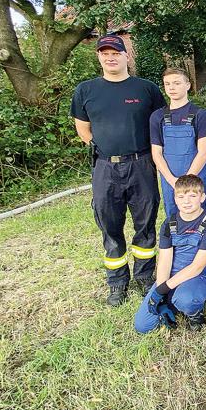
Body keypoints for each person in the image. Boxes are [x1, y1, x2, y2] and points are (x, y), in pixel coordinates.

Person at [71, 34, 166, 306]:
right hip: (104, 167)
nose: (110, 57)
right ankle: (117, 282)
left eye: (115, 52)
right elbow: (82, 127)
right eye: (104, 53)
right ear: (99, 57)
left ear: (127, 56)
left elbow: (159, 123)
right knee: (110, 225)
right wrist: (99, 147)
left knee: (145, 222)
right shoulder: (86, 90)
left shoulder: (145, 89)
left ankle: (145, 275)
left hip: (141, 164)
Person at [135, 175, 206, 333]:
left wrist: (163, 290)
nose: (186, 201)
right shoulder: (169, 223)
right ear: (175, 199)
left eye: (192, 196)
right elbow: (165, 261)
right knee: (142, 325)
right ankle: (172, 302)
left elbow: (197, 266)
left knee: (185, 299)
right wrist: (161, 290)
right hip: (174, 273)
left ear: (202, 197)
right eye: (181, 196)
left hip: (199, 273)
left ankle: (195, 314)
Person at [150, 68, 206, 216]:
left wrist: (186, 182)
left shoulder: (200, 115)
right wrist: (172, 181)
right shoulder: (157, 117)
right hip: (170, 180)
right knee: (174, 220)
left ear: (188, 85)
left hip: (196, 177)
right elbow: (157, 154)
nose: (171, 88)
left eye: (176, 83)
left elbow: (203, 152)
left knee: (201, 218)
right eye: (167, 84)